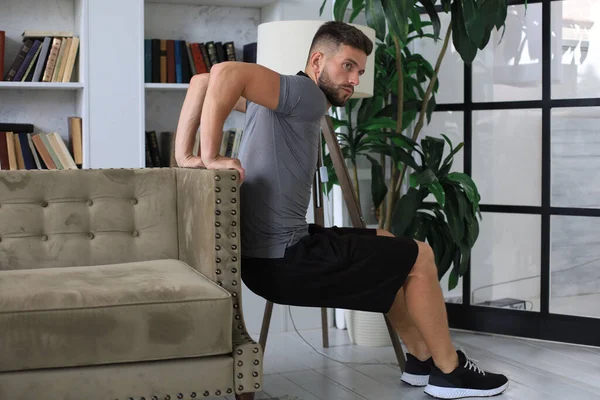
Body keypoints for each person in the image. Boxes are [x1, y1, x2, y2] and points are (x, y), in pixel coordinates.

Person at [174, 20, 509, 400]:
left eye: (360, 70)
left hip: (263, 262)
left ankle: (420, 358)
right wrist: (209, 155)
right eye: (347, 66)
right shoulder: (305, 93)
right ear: (317, 62)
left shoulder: (272, 101)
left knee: (386, 244)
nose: (354, 79)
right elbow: (225, 71)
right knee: (420, 255)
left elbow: (203, 83)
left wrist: (184, 155)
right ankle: (450, 371)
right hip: (286, 261)